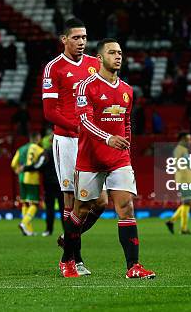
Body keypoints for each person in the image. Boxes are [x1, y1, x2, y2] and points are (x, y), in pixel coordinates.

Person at [60, 38, 155, 279]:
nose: (118, 56)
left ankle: (133, 266)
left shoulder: (127, 90)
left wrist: (126, 145)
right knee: (80, 211)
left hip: (118, 159)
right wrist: (108, 139)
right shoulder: (86, 86)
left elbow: (125, 123)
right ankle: (67, 259)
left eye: (120, 52)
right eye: (112, 52)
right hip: (90, 159)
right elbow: (84, 121)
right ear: (100, 58)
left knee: (126, 207)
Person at [42, 17, 107, 276]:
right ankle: (72, 259)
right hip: (67, 141)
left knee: (100, 202)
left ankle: (67, 239)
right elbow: (49, 111)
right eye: (76, 37)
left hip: (91, 141)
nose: (81, 42)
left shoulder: (95, 65)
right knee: (71, 200)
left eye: (84, 38)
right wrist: (77, 126)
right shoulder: (53, 68)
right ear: (64, 39)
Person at [23, 133, 64, 237]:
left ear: (50, 141)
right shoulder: (64, 152)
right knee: (65, 208)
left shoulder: (46, 152)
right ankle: (67, 231)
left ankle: (48, 230)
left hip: (49, 183)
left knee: (49, 208)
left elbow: (38, 165)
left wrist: (26, 168)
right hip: (63, 183)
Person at [10, 132, 44, 236]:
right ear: (37, 138)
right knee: (34, 203)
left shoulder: (21, 149)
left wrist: (17, 170)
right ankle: (24, 223)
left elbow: (13, 164)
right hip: (33, 178)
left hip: (21, 178)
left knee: (25, 203)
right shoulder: (39, 149)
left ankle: (28, 230)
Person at [165, 132, 191, 235]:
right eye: (188, 139)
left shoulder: (180, 149)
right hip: (184, 178)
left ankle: (172, 222)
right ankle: (183, 228)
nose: (190, 141)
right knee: (187, 202)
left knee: (187, 202)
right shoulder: (180, 149)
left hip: (185, 177)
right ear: (182, 139)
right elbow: (187, 163)